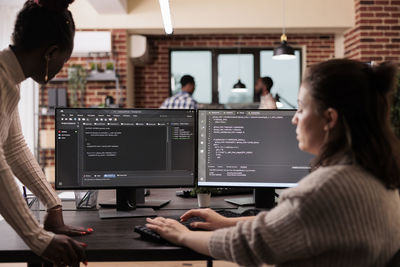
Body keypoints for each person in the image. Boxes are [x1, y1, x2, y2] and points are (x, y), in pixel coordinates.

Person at [146, 59, 400, 266]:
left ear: (329, 118)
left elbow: (248, 245)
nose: (293, 119)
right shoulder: (374, 173)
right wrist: (226, 221)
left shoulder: (325, 188)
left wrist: (184, 236)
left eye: (301, 108)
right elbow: (290, 222)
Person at [0, 0, 92, 266]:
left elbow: (13, 147)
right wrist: (39, 239)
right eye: (65, 59)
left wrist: (53, 205)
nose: (63, 66)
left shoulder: (8, 80)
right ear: (50, 53)